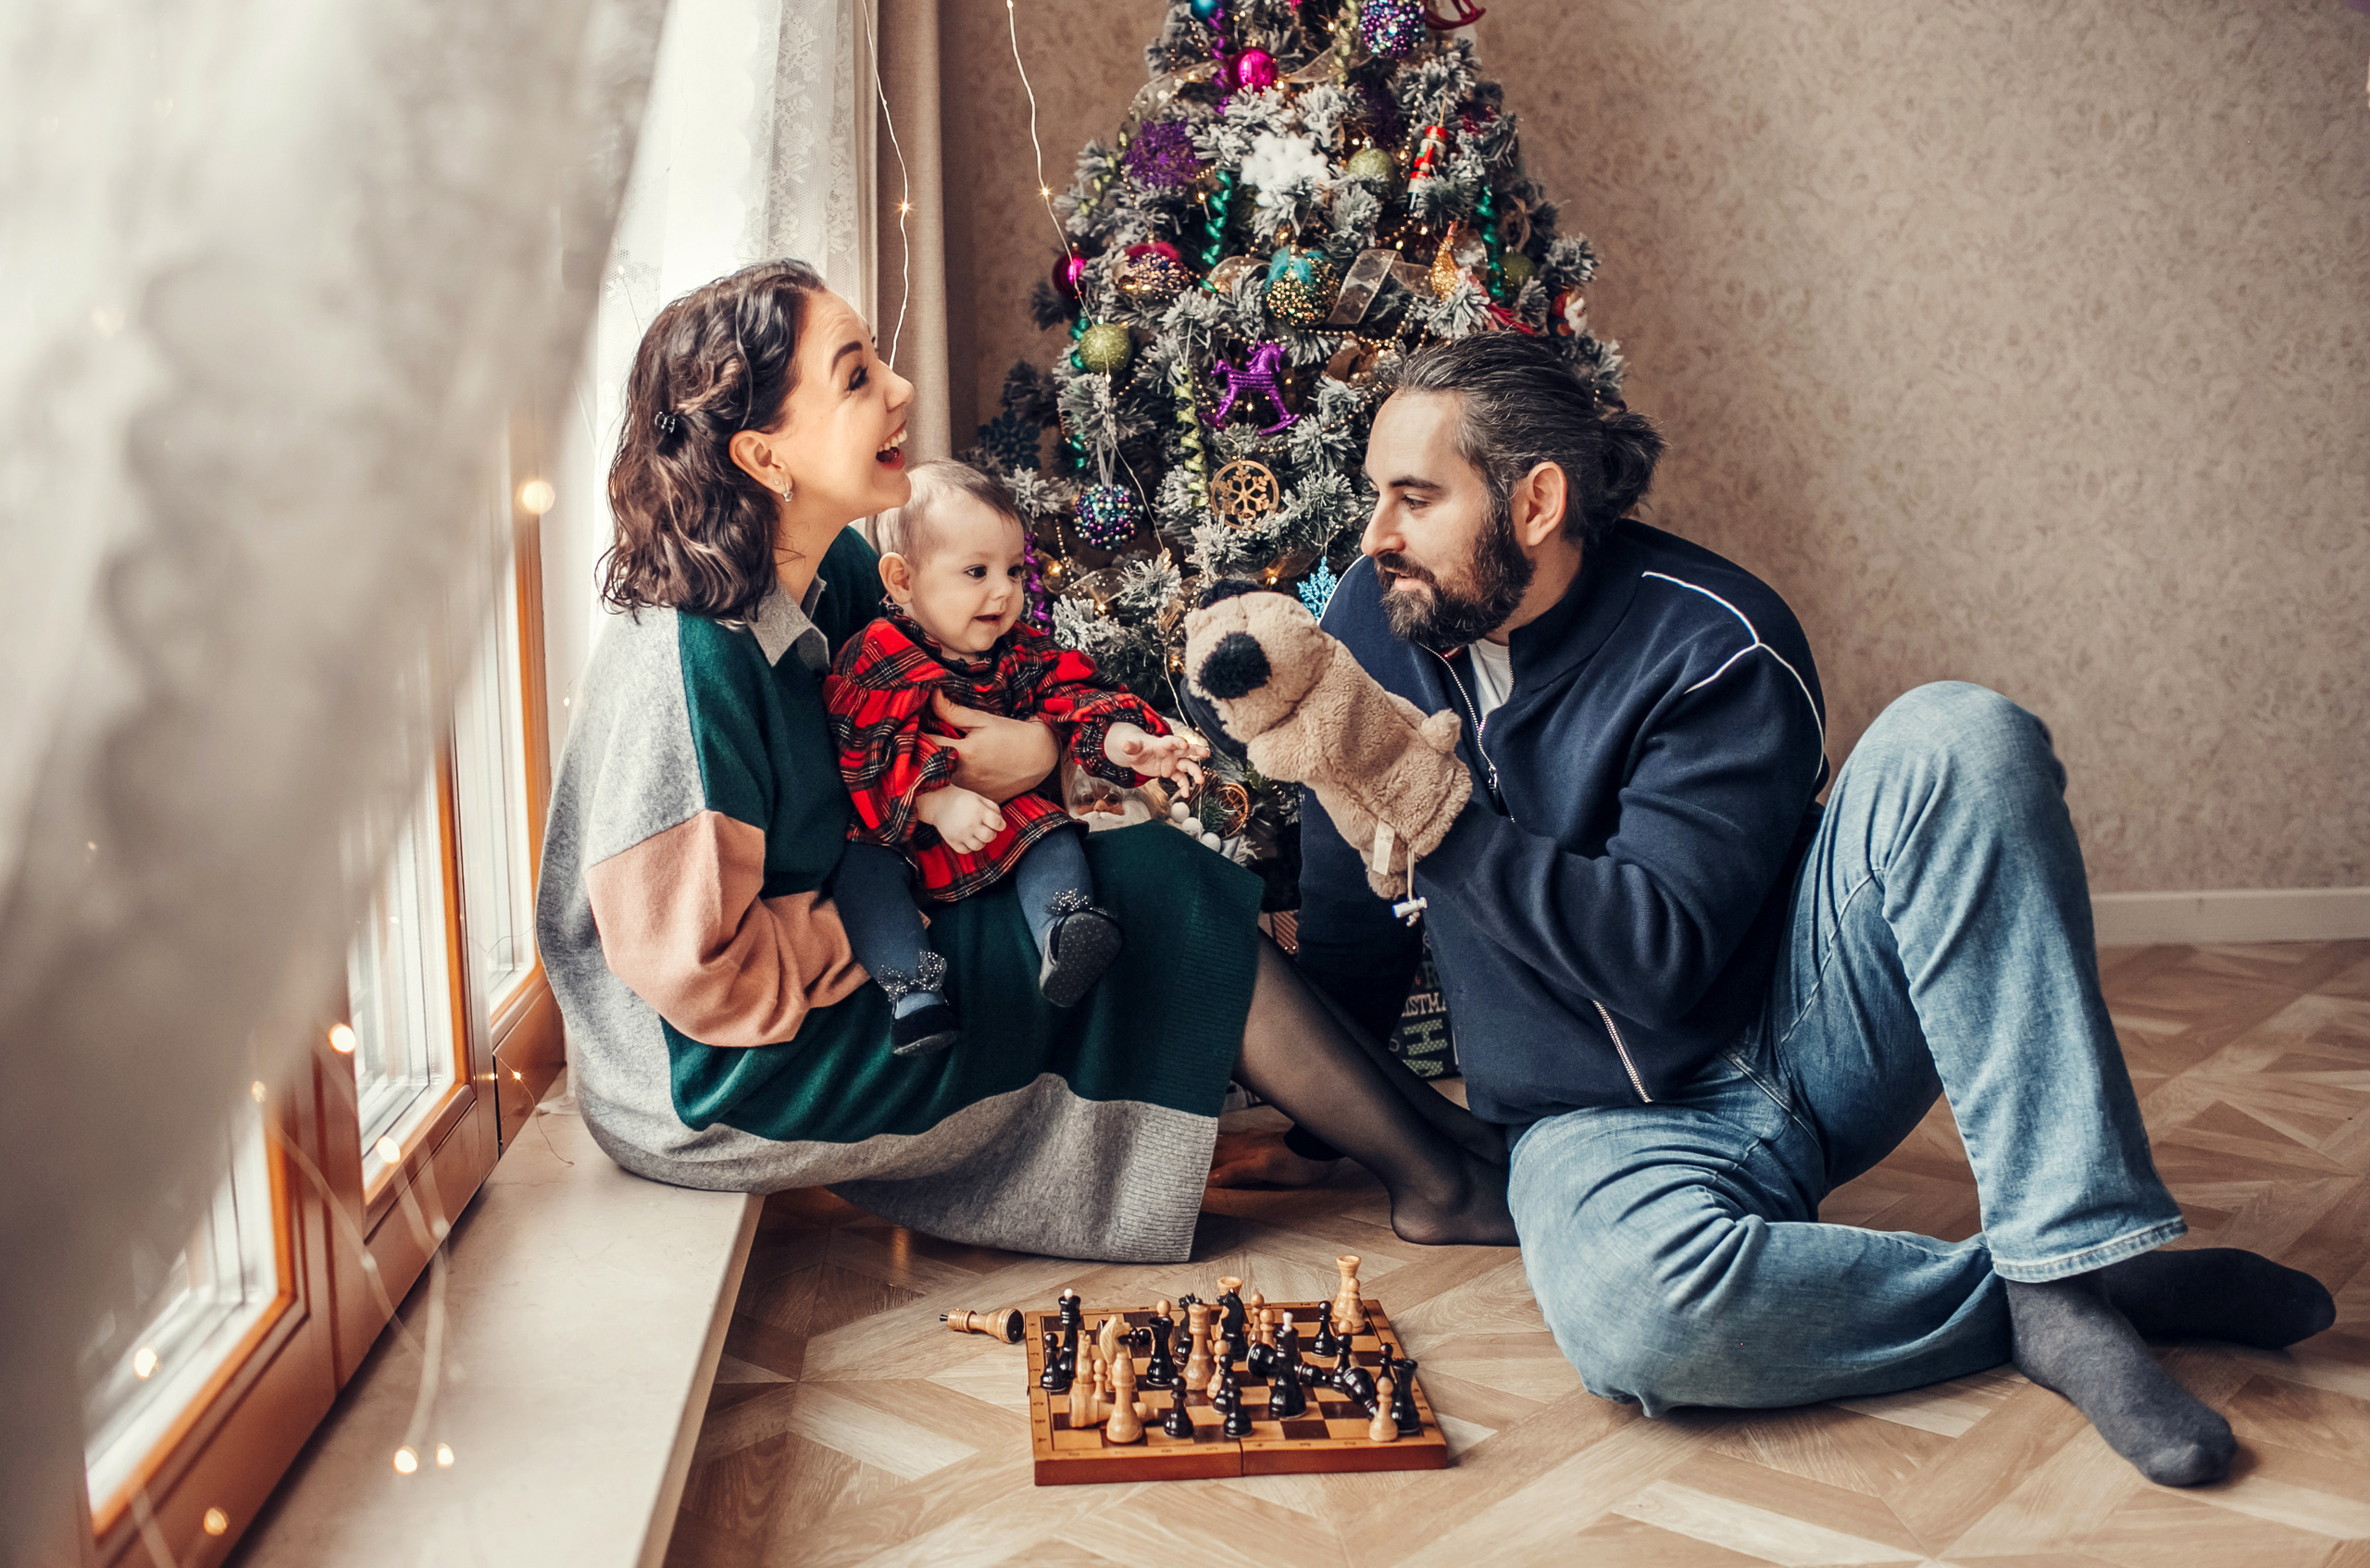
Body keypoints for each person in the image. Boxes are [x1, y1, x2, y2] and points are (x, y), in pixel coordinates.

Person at [1266, 331, 2333, 1484]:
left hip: (1809, 1028)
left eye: (1412, 498)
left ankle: (2064, 1260)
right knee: (1638, 1319)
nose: (1374, 534)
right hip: (1591, 1118)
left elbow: (1658, 958)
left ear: (1534, 501)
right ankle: (2053, 1284)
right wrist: (1319, 1132)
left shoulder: (1714, 636)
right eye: (1377, 496)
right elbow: (1345, 900)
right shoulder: (1375, 630)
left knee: (1961, 735)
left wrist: (1443, 819)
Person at [531, 258, 1516, 1261]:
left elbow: (976, 700)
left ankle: (1443, 1143)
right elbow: (707, 981)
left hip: (844, 934)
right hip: (718, 1073)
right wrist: (914, 912)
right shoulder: (686, 661)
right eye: (856, 374)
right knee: (1145, 896)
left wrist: (1048, 743)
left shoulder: (834, 569)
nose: (899, 388)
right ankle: (1434, 1174)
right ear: (763, 454)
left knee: (1139, 867)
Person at [825, 459, 1198, 1056]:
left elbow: (1072, 697)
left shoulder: (1017, 650)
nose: (1004, 591)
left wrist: (1124, 739)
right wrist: (934, 800)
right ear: (901, 580)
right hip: (903, 832)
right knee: (862, 874)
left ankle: (1062, 933)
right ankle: (914, 994)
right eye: (976, 572)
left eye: (1014, 570)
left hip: (1000, 817)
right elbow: (863, 753)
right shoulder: (878, 656)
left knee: (1049, 830)